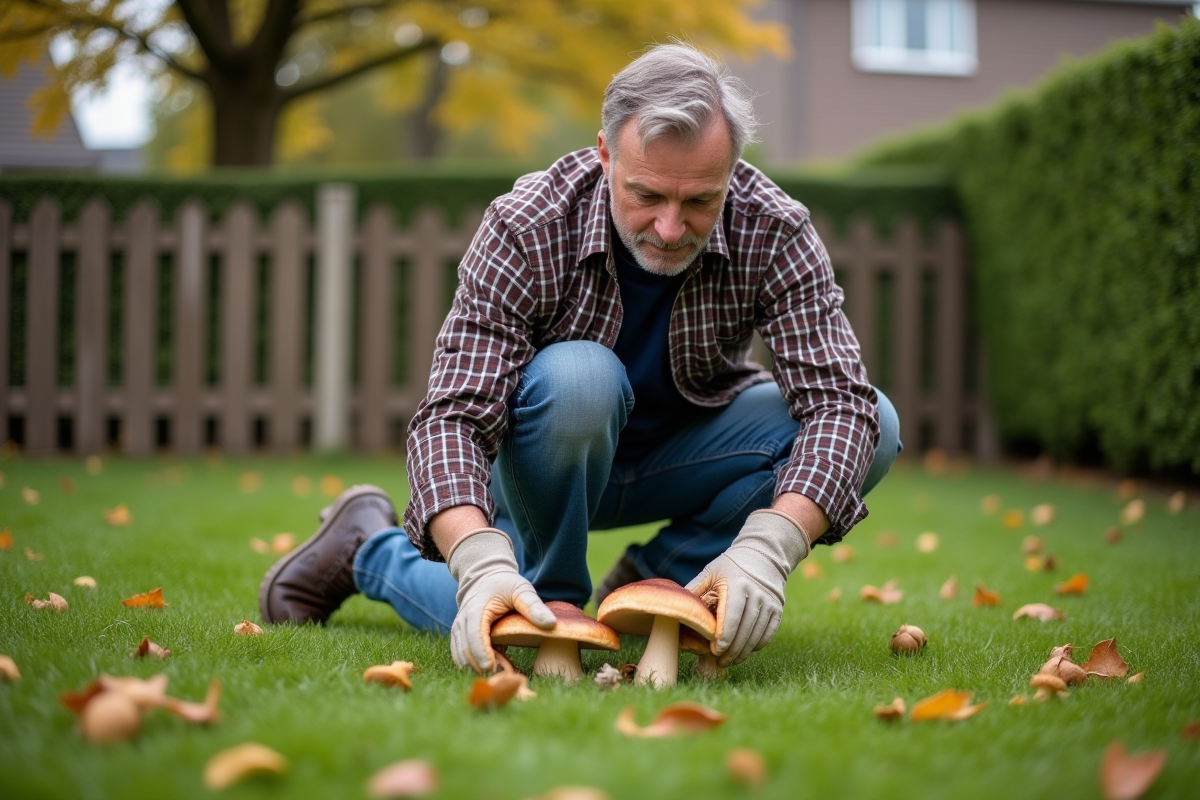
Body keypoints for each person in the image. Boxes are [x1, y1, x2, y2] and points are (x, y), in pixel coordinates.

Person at [260, 42, 901, 676]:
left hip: (685, 453)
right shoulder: (528, 223)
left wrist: (769, 548)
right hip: (545, 460)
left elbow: (840, 406)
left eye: (700, 200)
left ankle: (662, 583)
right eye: (647, 194)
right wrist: (481, 565)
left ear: (732, 170)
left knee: (876, 423)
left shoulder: (776, 227)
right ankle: (374, 551)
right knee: (578, 388)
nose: (671, 227)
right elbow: (451, 415)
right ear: (604, 153)